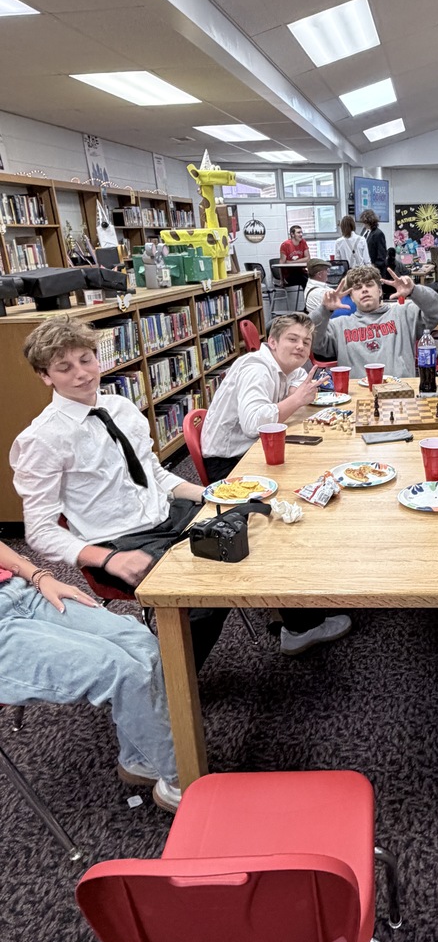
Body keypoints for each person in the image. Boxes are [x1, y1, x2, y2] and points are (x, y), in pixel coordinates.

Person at [11, 317, 350, 660]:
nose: (82, 374)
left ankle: (299, 626)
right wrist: (108, 558)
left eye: (86, 360)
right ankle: (170, 690)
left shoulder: (121, 408)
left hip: (169, 516)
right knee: (204, 593)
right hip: (118, 541)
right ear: (45, 376)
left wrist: (211, 494)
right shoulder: (41, 439)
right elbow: (39, 531)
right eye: (64, 368)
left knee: (268, 524)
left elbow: (154, 475)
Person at [0, 539, 181, 812]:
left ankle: (143, 760)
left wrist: (39, 576)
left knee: (141, 642)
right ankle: (182, 780)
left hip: (15, 593)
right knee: (120, 670)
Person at [201, 312, 322, 481]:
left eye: (306, 342)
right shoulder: (256, 369)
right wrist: (296, 400)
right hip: (230, 463)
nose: (300, 346)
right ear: (272, 342)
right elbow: (253, 425)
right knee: (309, 474)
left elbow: (300, 374)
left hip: (255, 448)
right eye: (293, 339)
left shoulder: (283, 363)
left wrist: (294, 390)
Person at [309, 265, 438, 378]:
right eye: (357, 288)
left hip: (399, 392)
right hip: (357, 395)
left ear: (380, 291)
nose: (364, 290)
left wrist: (414, 291)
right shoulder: (338, 325)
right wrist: (324, 310)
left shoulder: (404, 313)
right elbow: (314, 344)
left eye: (369, 285)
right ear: (351, 297)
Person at [359, 209, 387, 276]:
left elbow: (382, 255)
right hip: (364, 269)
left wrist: (372, 267)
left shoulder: (378, 234)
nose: (364, 224)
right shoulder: (363, 231)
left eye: (365, 222)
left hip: (374, 270)